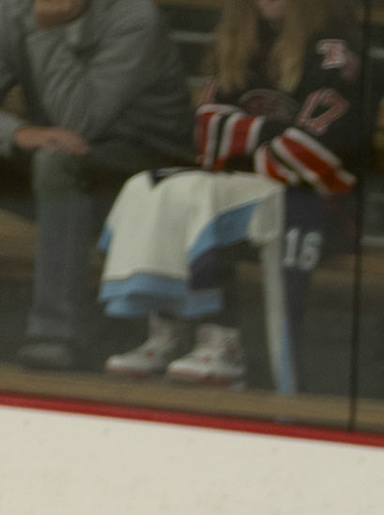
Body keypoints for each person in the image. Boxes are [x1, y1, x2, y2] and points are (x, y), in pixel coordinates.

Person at [97, 0, 363, 387]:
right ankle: (169, 329)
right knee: (149, 185)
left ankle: (223, 340)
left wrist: (241, 137)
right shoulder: (236, 41)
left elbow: (315, 152)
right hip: (251, 186)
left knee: (206, 196)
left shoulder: (335, 54)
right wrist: (267, 138)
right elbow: (207, 132)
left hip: (317, 205)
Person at [0, 0, 191, 371]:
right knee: (52, 157)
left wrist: (46, 31)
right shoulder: (12, 10)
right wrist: (19, 133)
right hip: (61, 159)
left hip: (144, 169)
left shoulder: (134, 16)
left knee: (57, 160)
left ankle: (56, 333)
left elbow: (81, 120)